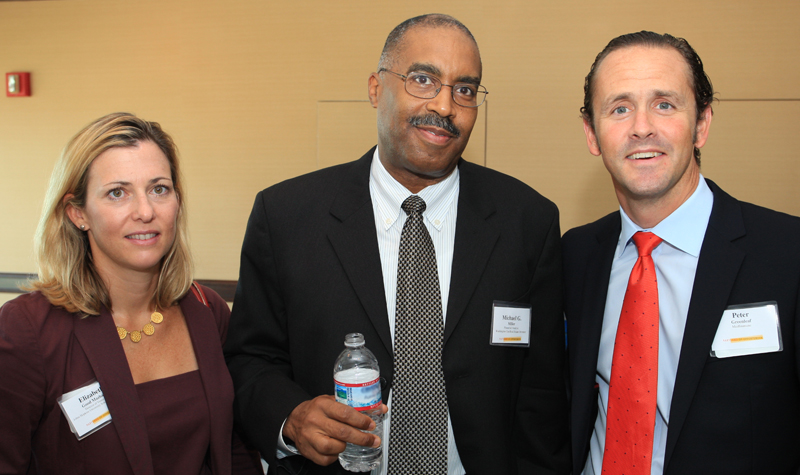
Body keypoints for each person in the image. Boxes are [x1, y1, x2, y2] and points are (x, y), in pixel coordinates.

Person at [225, 13, 569, 475]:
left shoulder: (528, 220)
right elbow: (251, 358)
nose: (445, 106)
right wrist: (290, 417)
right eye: (423, 79)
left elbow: (542, 393)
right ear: (375, 88)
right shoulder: (285, 216)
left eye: (465, 89)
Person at [564, 31, 800, 475]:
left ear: (702, 124)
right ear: (592, 134)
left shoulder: (789, 255)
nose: (641, 127)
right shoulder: (575, 256)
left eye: (664, 104)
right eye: (619, 108)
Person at [0, 112, 263, 475]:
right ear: (78, 213)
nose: (145, 211)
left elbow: (236, 448)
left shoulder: (207, 312)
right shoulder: (27, 329)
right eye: (117, 193)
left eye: (159, 189)